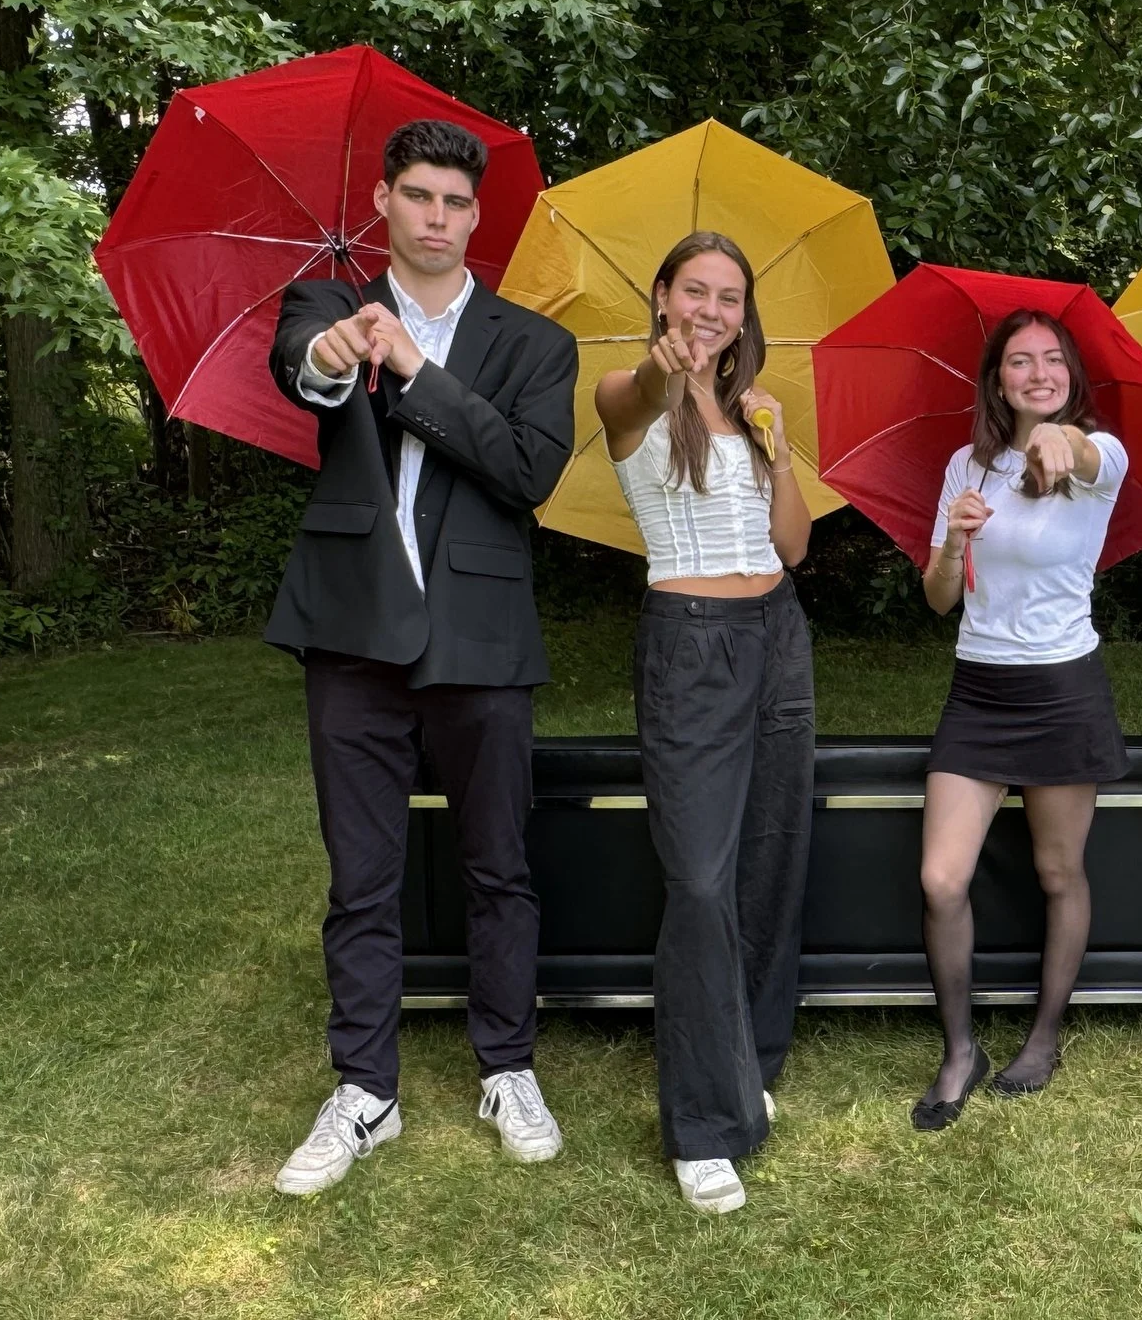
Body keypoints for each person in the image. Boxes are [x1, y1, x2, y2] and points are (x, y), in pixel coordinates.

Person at [264, 119, 576, 1195]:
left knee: (500, 865)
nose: (437, 217)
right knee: (362, 875)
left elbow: (527, 470)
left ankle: (507, 1064)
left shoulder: (534, 342)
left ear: (475, 216)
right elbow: (294, 365)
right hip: (349, 628)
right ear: (385, 205)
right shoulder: (325, 305)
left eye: (455, 202)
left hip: (480, 633)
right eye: (418, 197)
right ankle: (365, 1088)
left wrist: (417, 374)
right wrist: (335, 356)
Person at [597, 230, 814, 1215]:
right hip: (689, 643)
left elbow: (794, 543)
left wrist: (777, 447)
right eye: (696, 291)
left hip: (777, 635)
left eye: (730, 296)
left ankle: (747, 1059)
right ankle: (702, 1124)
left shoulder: (755, 407)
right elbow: (633, 399)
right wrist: (660, 365)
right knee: (697, 877)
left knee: (771, 851)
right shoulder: (625, 390)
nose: (713, 310)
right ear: (664, 295)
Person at [911, 310, 1132, 1129]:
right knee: (941, 879)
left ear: (1070, 375)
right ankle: (959, 1049)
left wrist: (1055, 442)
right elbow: (939, 598)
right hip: (978, 689)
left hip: (1063, 687)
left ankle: (1044, 1035)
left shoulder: (1100, 458)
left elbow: (1071, 452)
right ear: (997, 378)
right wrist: (950, 541)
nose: (1036, 372)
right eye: (1018, 362)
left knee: (1058, 874)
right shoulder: (968, 469)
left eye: (1051, 360)